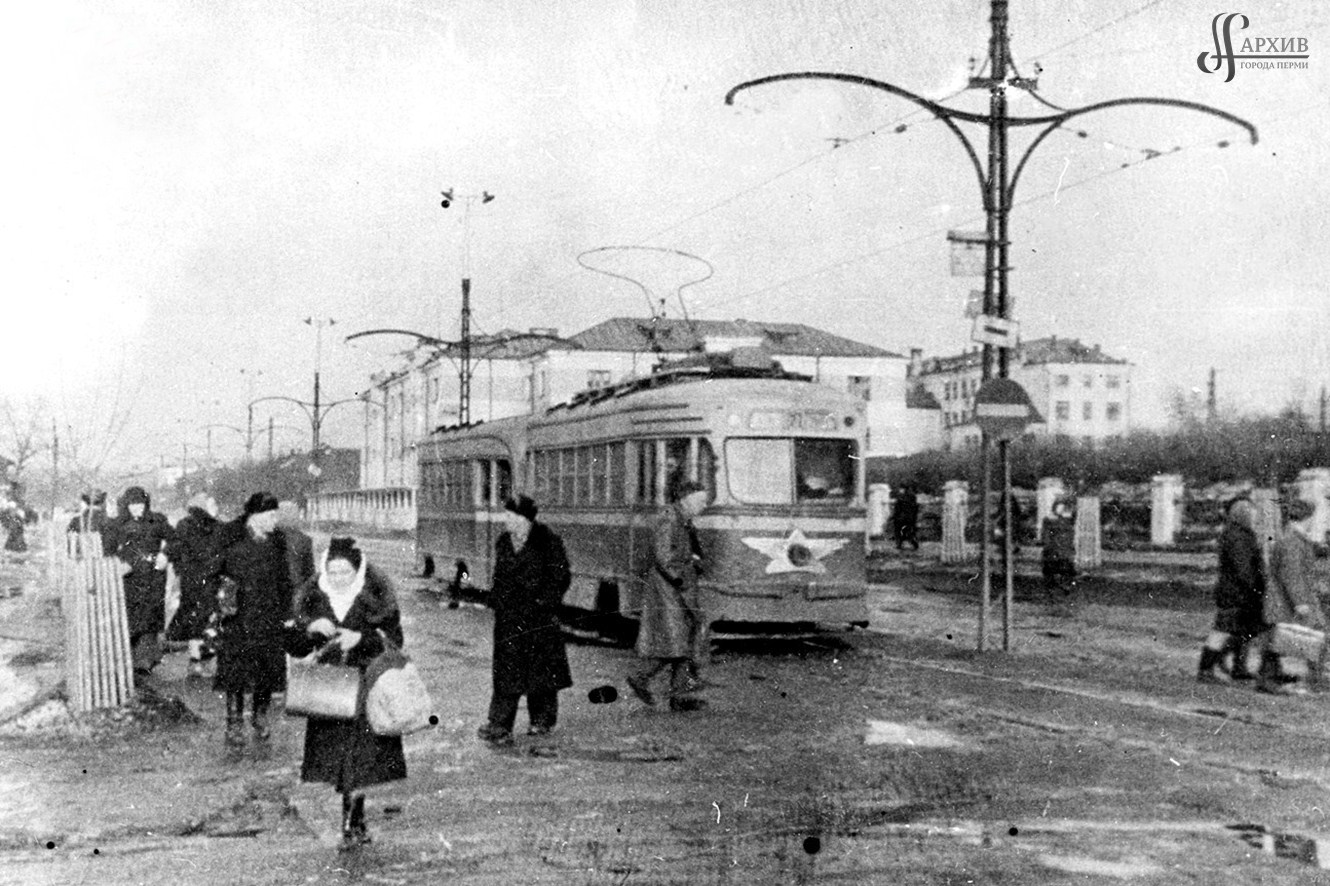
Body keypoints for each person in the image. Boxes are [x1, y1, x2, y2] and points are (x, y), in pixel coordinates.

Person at [286, 537, 406, 850]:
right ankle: (352, 816)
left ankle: (354, 818)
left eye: (346, 572)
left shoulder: (377, 598)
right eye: (333, 571)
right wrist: (311, 629)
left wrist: (361, 638)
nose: (339, 578)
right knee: (339, 759)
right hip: (330, 689)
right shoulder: (313, 599)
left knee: (361, 758)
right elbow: (294, 644)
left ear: (359, 570)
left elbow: (394, 641)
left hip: (367, 686)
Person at [213, 492, 315, 751]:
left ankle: (259, 717)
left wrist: (289, 616)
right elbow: (214, 576)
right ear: (255, 517)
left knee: (267, 669)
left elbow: (285, 582)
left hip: (269, 616)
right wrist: (218, 605)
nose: (275, 520)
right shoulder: (231, 540)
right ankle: (234, 722)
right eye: (270, 516)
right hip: (239, 617)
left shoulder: (276, 542)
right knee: (235, 672)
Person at [477, 495, 573, 746]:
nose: (505, 520)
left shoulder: (548, 541)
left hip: (537, 616)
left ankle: (542, 721)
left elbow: (560, 576)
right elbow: (499, 576)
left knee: (540, 672)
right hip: (509, 617)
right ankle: (499, 724)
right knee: (506, 671)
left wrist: (545, 603)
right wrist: (496, 599)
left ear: (524, 519)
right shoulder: (503, 542)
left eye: (510, 516)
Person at [627, 479, 710, 713]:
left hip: (678, 587)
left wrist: (694, 563)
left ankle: (679, 697)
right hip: (669, 589)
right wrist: (680, 578)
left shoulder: (682, 518)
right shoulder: (670, 517)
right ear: (687, 499)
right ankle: (640, 677)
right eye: (701, 501)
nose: (704, 505)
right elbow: (663, 555)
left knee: (683, 640)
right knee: (675, 642)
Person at [1257, 498, 1325, 695]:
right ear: (1307, 518)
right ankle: (1308, 679)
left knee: (1278, 638)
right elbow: (1291, 574)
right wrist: (1301, 602)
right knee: (1289, 637)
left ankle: (1270, 677)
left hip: (1282, 599)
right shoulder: (1293, 541)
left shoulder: (1292, 538)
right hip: (1285, 600)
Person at [108, 486, 174, 679]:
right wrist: (119, 562)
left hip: (153, 575)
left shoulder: (157, 520)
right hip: (130, 575)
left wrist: (165, 554)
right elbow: (109, 548)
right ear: (126, 505)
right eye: (132, 504)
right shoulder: (119, 524)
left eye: (140, 504)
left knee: (150, 616)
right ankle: (128, 659)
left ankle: (145, 662)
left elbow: (174, 539)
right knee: (131, 615)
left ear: (146, 504)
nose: (136, 508)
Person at [1197, 498, 1265, 683]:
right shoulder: (1239, 536)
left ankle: (1236, 667)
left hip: (1236, 591)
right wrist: (1257, 587)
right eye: (1252, 513)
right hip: (1236, 592)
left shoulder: (1238, 533)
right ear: (1245, 514)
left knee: (1243, 630)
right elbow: (1243, 568)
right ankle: (1206, 669)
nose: (1256, 516)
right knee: (1222, 630)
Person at [166, 493, 224, 678]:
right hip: (201, 581)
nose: (216, 506)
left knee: (203, 620)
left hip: (202, 581)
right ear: (202, 506)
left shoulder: (213, 526)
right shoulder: (197, 525)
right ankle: (198, 661)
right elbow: (176, 547)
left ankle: (199, 660)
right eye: (212, 503)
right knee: (203, 620)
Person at [1040, 498, 1077, 597]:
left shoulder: (1068, 520)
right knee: (1051, 569)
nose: (1061, 509)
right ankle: (1051, 589)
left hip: (1065, 550)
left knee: (1066, 569)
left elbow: (1070, 534)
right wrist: (1048, 545)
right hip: (1053, 549)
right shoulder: (1049, 520)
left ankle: (1064, 587)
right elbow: (1045, 535)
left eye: (1063, 507)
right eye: (1059, 507)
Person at [892, 485, 920, 551]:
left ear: (903, 489)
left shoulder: (901, 497)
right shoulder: (912, 496)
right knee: (908, 531)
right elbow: (915, 507)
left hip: (902, 518)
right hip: (909, 518)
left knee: (900, 531)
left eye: (900, 489)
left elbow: (897, 508)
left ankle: (900, 544)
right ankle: (913, 543)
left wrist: (895, 516)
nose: (900, 490)